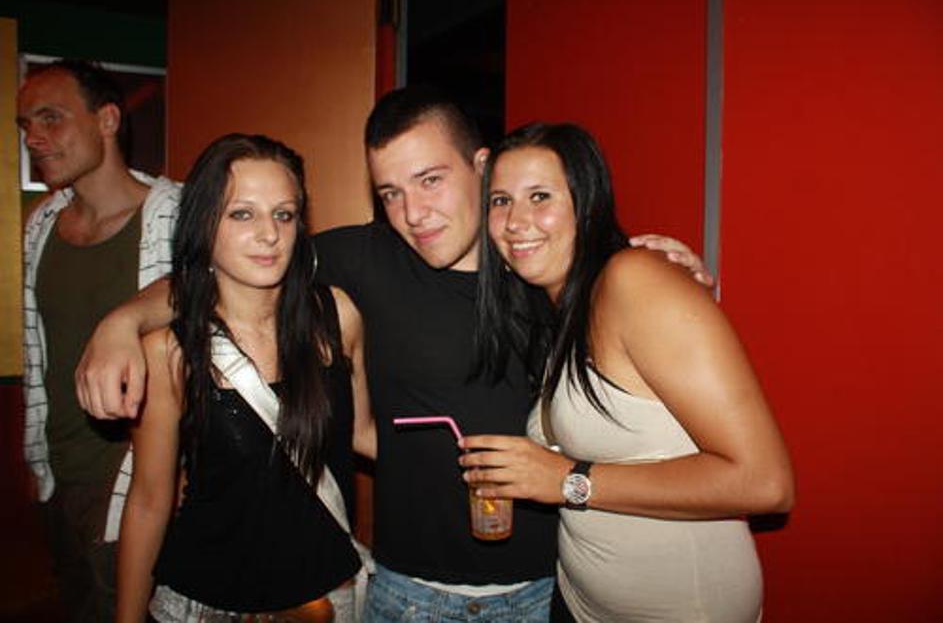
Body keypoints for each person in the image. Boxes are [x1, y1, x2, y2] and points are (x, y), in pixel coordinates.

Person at [76, 87, 711, 622]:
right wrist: (121, 322)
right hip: (407, 594)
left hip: (546, 587)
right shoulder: (366, 260)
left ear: (483, 166)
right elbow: (231, 270)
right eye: (390, 193)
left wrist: (654, 266)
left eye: (430, 180)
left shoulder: (544, 269)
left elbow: (632, 307)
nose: (414, 213)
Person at [461, 122, 795, 622]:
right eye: (501, 201)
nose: (515, 221)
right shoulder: (558, 311)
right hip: (580, 604)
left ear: (587, 203)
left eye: (540, 196)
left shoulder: (631, 280)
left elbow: (766, 484)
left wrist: (569, 481)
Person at [116, 133, 373, 622]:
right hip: (205, 605)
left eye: (284, 214)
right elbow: (149, 500)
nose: (269, 233)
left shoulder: (337, 316)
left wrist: (465, 450)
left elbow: (362, 434)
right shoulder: (169, 352)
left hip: (326, 603)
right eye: (241, 214)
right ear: (204, 223)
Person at [17, 58, 181, 622]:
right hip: (59, 475)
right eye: (26, 125)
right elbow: (40, 355)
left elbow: (210, 285)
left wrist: (124, 319)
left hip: (140, 485)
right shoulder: (42, 224)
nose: (33, 137)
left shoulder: (178, 214)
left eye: (51, 118)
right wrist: (42, 463)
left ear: (107, 120)